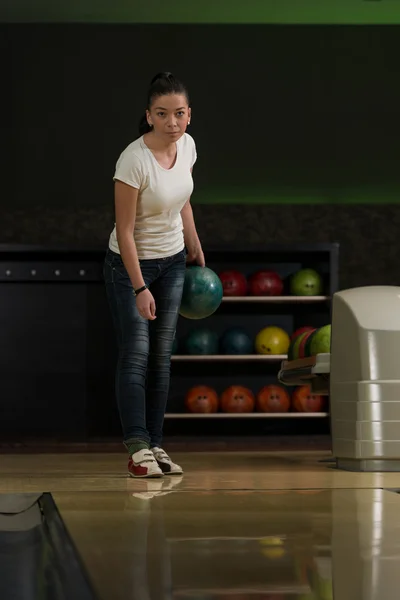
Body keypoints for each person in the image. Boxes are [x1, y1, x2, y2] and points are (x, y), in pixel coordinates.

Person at [103, 72, 204, 478]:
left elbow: (184, 203)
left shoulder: (189, 147)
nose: (172, 122)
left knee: (162, 357)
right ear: (149, 116)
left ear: (189, 115)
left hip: (174, 260)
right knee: (137, 354)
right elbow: (124, 231)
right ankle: (138, 449)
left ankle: (158, 446)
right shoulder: (133, 160)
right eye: (163, 114)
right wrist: (140, 286)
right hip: (130, 265)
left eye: (179, 114)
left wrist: (194, 245)